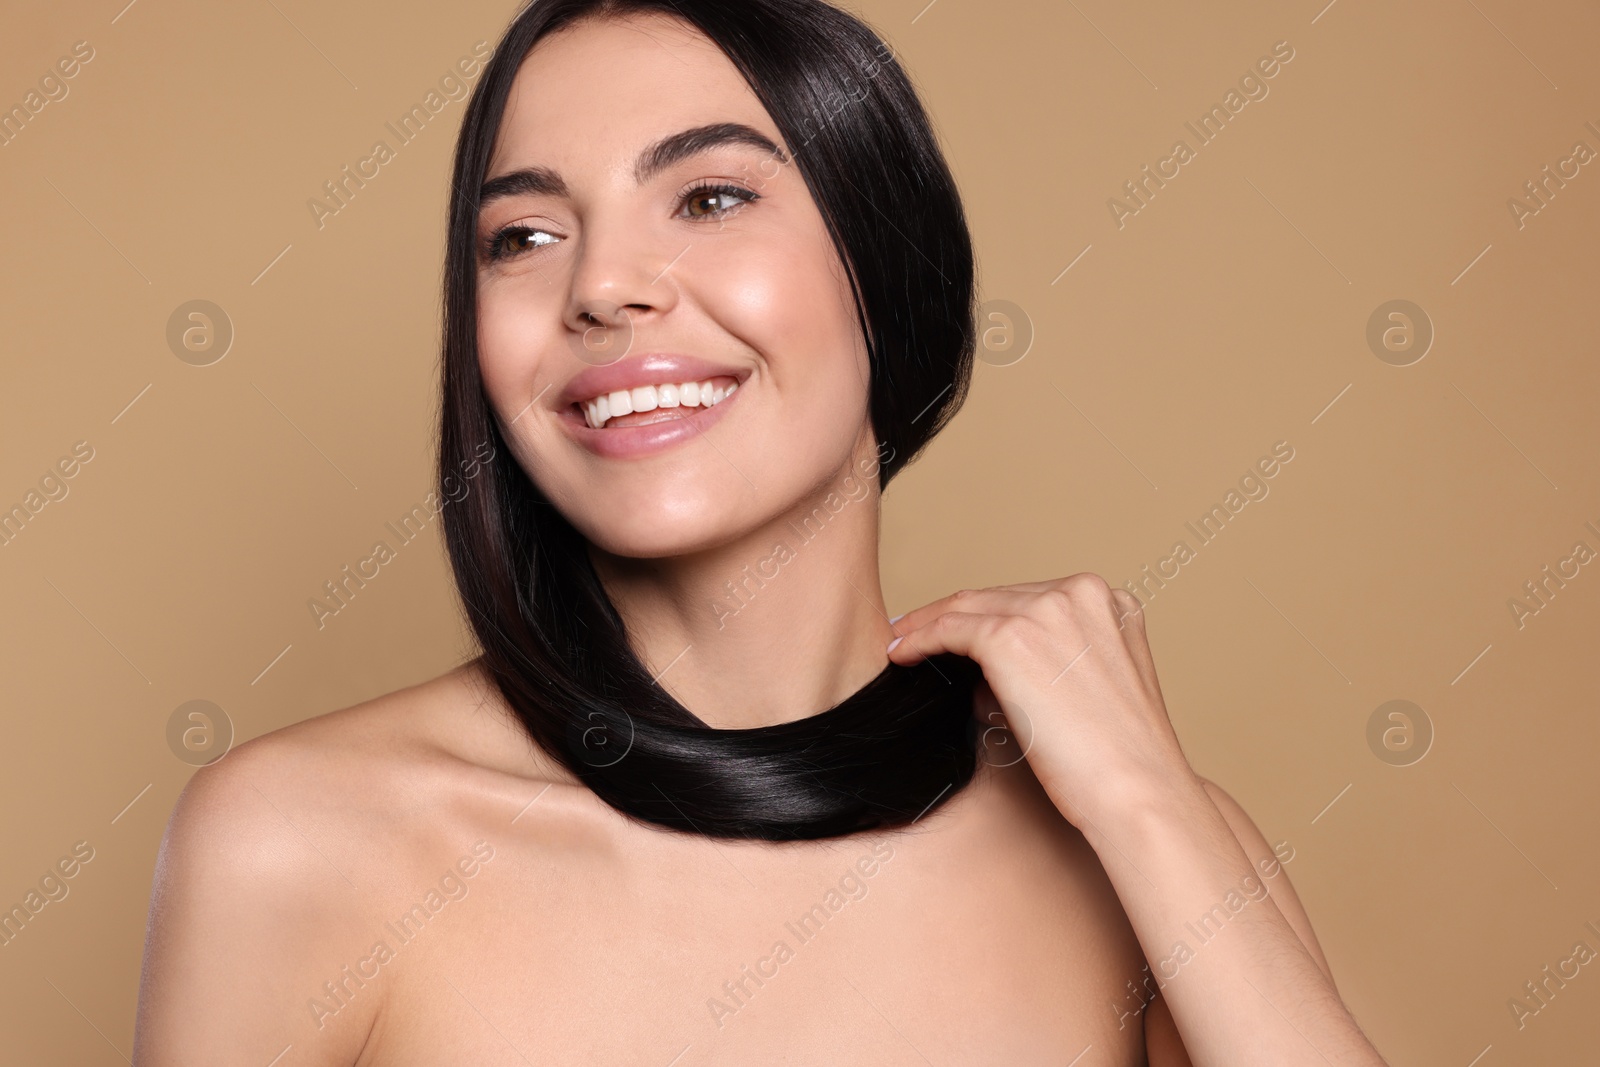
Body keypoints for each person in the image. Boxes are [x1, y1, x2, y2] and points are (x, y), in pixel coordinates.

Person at [133, 1, 1389, 1063]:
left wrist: (1148, 806)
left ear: (883, 273)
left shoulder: (1140, 838)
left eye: (711, 195)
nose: (602, 285)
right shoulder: (302, 840)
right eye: (524, 235)